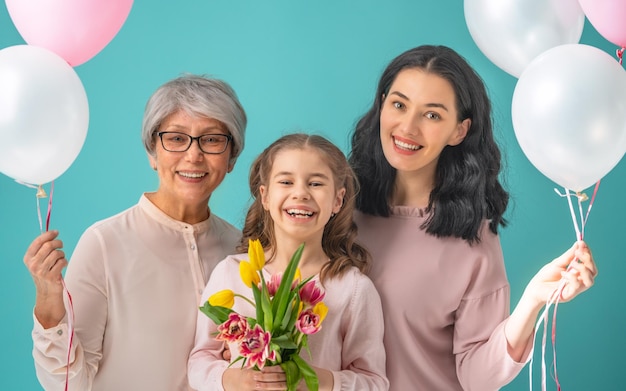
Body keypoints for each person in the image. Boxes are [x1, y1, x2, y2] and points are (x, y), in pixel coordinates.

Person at [348, 45, 598, 391]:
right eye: (399, 104)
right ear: (382, 103)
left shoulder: (471, 241)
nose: (407, 126)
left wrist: (533, 301)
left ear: (459, 131)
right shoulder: (337, 212)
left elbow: (476, 377)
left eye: (432, 115)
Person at [23, 74, 247, 390]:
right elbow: (67, 383)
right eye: (176, 138)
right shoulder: (104, 243)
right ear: (152, 153)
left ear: (232, 157)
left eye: (211, 139)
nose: (194, 155)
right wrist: (48, 298)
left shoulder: (243, 250)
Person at [188, 133, 389, 391]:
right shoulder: (231, 272)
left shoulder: (353, 289)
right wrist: (231, 379)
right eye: (286, 181)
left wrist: (316, 380)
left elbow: (374, 382)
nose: (300, 193)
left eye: (316, 184)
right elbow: (200, 359)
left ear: (337, 200)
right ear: (265, 196)